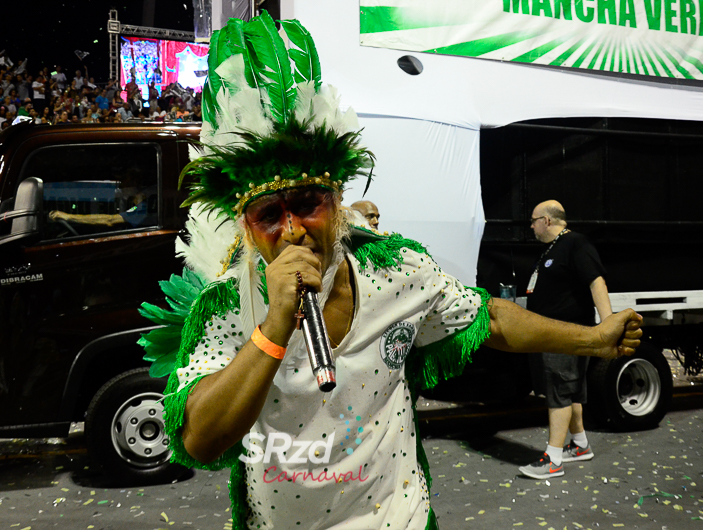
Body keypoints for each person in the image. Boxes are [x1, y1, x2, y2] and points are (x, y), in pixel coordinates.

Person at [139, 13, 642, 530]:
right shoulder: (224, 304)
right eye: (269, 215)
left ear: (337, 202)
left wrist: (595, 341)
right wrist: (271, 330)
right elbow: (199, 438)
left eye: (307, 204)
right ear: (246, 227)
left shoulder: (395, 268)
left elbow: (490, 319)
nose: (291, 232)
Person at [518, 200, 613, 480]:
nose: (531, 226)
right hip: (550, 333)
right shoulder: (551, 248)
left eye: (533, 220)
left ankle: (553, 459)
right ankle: (580, 445)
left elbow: (596, 281)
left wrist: (609, 324)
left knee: (559, 390)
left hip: (565, 333)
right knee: (569, 391)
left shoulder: (576, 244)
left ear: (547, 220)